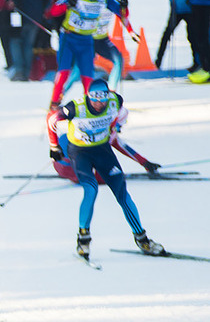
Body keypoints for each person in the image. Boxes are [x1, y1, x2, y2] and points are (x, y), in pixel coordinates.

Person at [47, 80, 165, 260]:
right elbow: (52, 119)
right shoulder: (76, 107)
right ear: (89, 97)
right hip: (79, 152)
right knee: (91, 189)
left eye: (103, 100)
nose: (99, 105)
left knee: (122, 192)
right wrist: (54, 146)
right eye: (95, 101)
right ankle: (83, 240)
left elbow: (115, 140)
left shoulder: (115, 102)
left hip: (102, 150)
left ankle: (142, 239)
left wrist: (144, 162)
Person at [47, 0, 124, 105]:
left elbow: (121, 13)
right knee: (64, 72)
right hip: (69, 38)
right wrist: (67, 5)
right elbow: (53, 11)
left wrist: (124, 6)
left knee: (88, 76)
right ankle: (54, 103)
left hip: (87, 40)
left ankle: (90, 105)